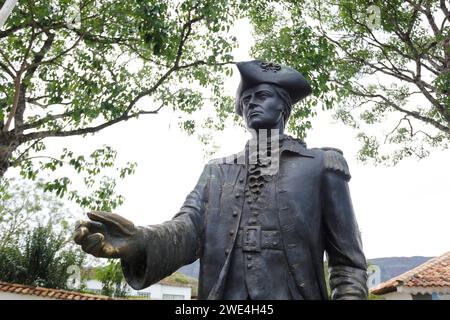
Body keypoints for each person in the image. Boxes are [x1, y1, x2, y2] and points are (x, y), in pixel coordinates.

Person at [73, 60, 368, 300]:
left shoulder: (320, 165)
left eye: (262, 96)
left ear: (283, 107)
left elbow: (348, 263)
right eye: (246, 100)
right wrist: (139, 241)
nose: (251, 104)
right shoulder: (216, 171)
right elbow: (187, 230)